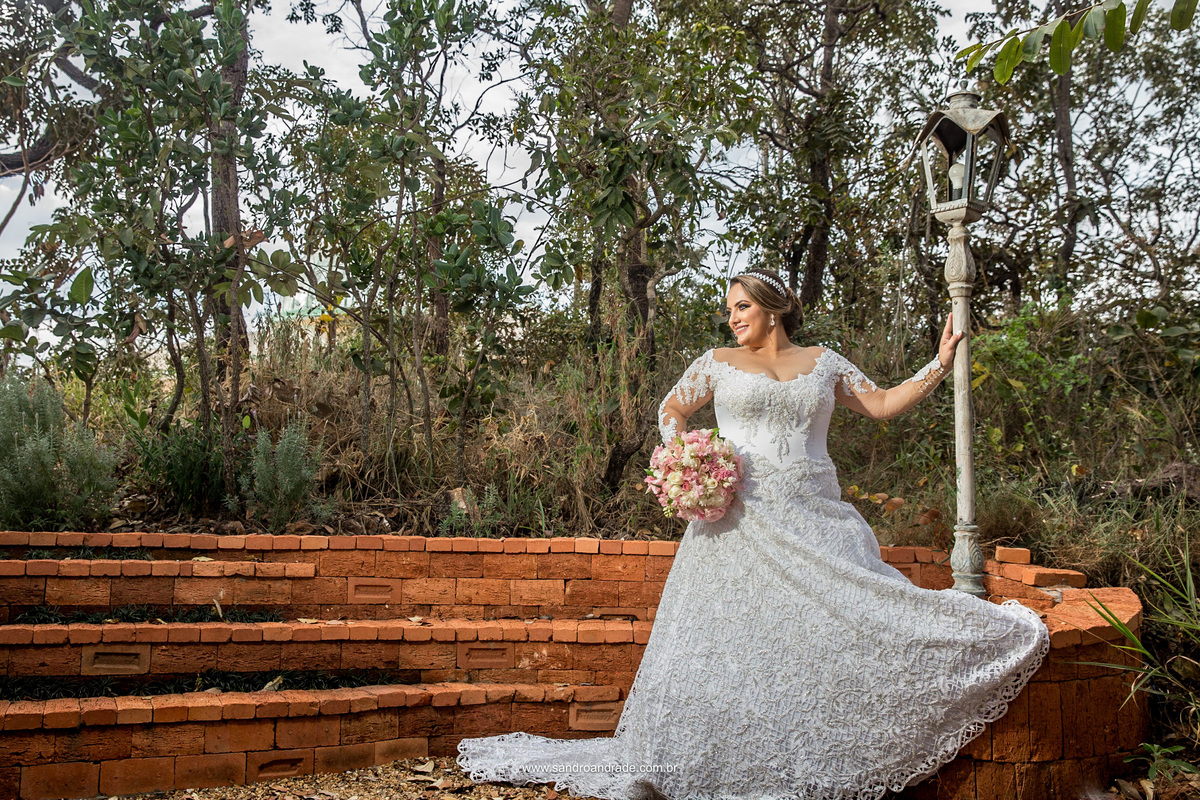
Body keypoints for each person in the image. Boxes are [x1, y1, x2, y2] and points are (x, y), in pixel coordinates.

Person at [456, 268, 1050, 800]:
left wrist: (940, 363)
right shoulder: (716, 362)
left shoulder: (826, 362)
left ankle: (816, 745)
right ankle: (718, 758)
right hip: (736, 518)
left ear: (773, 308)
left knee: (837, 624)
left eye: (741, 306)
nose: (732, 317)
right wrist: (686, 461)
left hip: (815, 516)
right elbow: (672, 411)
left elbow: (885, 405)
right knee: (728, 641)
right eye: (729, 309)